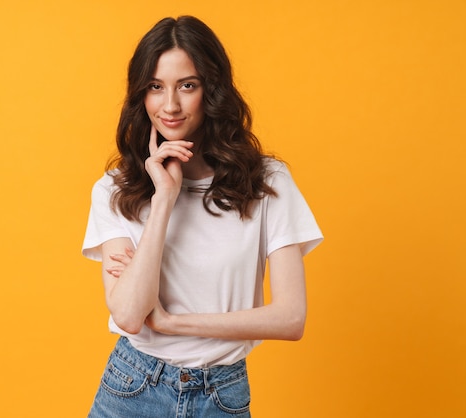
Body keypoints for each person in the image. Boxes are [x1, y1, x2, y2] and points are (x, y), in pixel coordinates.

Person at [81, 15, 323, 417]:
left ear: (212, 91)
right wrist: (163, 200)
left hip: (221, 395)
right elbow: (127, 314)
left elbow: (290, 318)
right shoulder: (114, 189)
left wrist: (172, 322)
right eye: (155, 87)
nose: (170, 105)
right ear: (140, 95)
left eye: (187, 86)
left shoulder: (266, 183)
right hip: (132, 388)